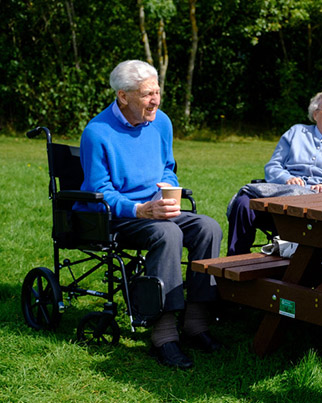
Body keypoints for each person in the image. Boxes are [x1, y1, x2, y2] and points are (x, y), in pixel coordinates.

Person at [77, 60, 223, 369]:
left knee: (208, 227)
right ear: (123, 96)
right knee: (168, 233)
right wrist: (140, 210)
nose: (155, 100)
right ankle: (164, 334)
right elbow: (99, 190)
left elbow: (167, 168)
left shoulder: (162, 122)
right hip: (118, 217)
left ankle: (196, 322)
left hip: (156, 208)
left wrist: (167, 190)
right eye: (147, 94)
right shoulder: (97, 132)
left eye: (157, 92)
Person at [226, 85, 322, 256]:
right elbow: (272, 167)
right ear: (316, 114)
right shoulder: (296, 132)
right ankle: (236, 262)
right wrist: (287, 178)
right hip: (283, 199)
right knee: (243, 202)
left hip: (319, 206)